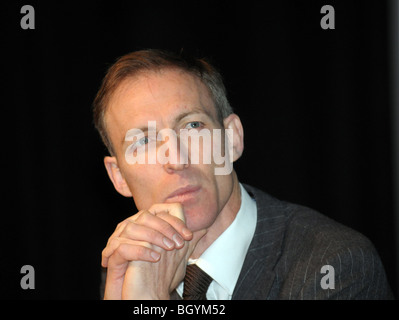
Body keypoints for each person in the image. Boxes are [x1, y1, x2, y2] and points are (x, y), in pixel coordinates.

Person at [93, 49, 394, 300]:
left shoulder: (334, 264)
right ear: (118, 176)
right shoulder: (130, 267)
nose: (176, 159)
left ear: (232, 139)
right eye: (144, 141)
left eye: (192, 126)